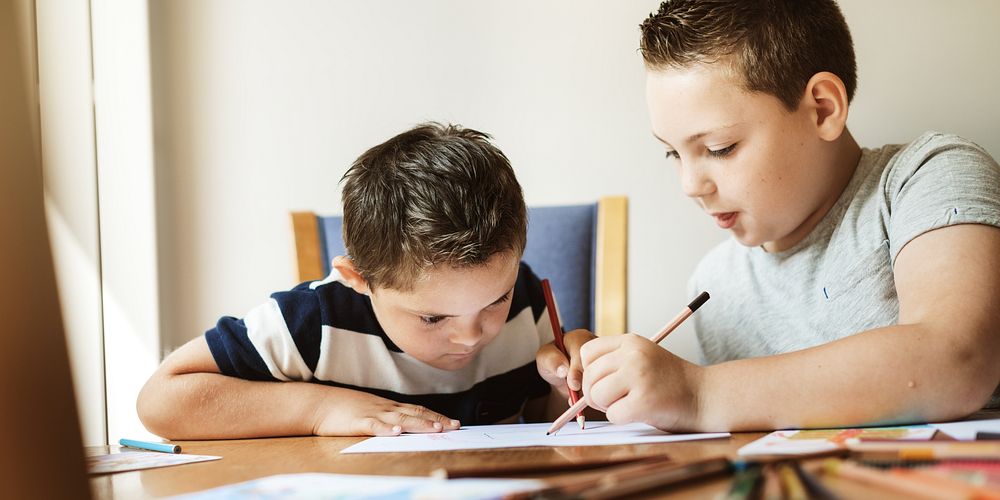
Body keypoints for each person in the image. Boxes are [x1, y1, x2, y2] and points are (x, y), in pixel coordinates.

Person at [538, 0, 1000, 432]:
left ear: (822, 108)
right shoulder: (715, 284)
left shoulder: (926, 176)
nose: (690, 185)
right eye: (672, 154)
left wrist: (698, 392)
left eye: (719, 148)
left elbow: (957, 359)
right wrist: (601, 392)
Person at [138, 122, 558, 439]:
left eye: (494, 302)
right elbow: (161, 400)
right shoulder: (313, 321)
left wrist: (589, 386)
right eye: (432, 318)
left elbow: (548, 417)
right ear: (357, 278)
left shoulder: (524, 298)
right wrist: (316, 409)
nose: (471, 336)